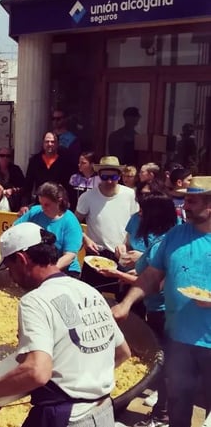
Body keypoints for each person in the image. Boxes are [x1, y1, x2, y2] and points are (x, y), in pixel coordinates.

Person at [0, 223, 131, 426]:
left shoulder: (35, 301)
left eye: (10, 268)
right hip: (103, 413)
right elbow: (123, 352)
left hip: (66, 419)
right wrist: (85, 378)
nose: (11, 277)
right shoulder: (89, 291)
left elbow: (37, 371)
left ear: (22, 259)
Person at [111, 176, 211, 427]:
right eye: (185, 200)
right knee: (178, 404)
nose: (185, 206)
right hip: (178, 339)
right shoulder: (176, 235)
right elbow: (151, 276)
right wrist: (126, 304)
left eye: (192, 201)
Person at [100, 189, 178, 427]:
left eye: (143, 212)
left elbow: (155, 283)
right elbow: (148, 271)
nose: (139, 215)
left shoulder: (163, 243)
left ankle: (161, 415)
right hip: (155, 307)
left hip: (162, 310)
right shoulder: (162, 240)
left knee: (165, 365)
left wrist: (118, 275)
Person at [75, 156, 139, 290]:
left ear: (120, 176)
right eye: (105, 177)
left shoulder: (130, 195)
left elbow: (137, 224)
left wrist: (126, 244)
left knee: (122, 296)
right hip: (96, 255)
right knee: (90, 295)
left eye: (113, 177)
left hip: (123, 254)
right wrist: (85, 238)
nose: (109, 181)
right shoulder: (87, 197)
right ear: (99, 176)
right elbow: (74, 224)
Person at [15, 182, 83, 277]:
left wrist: (49, 272)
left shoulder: (70, 221)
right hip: (38, 265)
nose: (43, 208)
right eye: (41, 203)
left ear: (59, 201)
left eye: (47, 205)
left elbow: (69, 256)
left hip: (65, 269)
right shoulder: (35, 212)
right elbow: (15, 230)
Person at [21, 132, 76, 212]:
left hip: (58, 205)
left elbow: (68, 186)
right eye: (47, 141)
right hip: (40, 203)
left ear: (57, 144)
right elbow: (28, 185)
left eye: (53, 142)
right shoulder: (35, 160)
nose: (50, 144)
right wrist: (24, 205)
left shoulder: (65, 161)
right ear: (43, 143)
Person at [0, 148, 25, 213]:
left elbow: (23, 187)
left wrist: (12, 190)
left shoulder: (15, 170)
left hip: (11, 200)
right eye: (2, 155)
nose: (5, 158)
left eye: (8, 156)